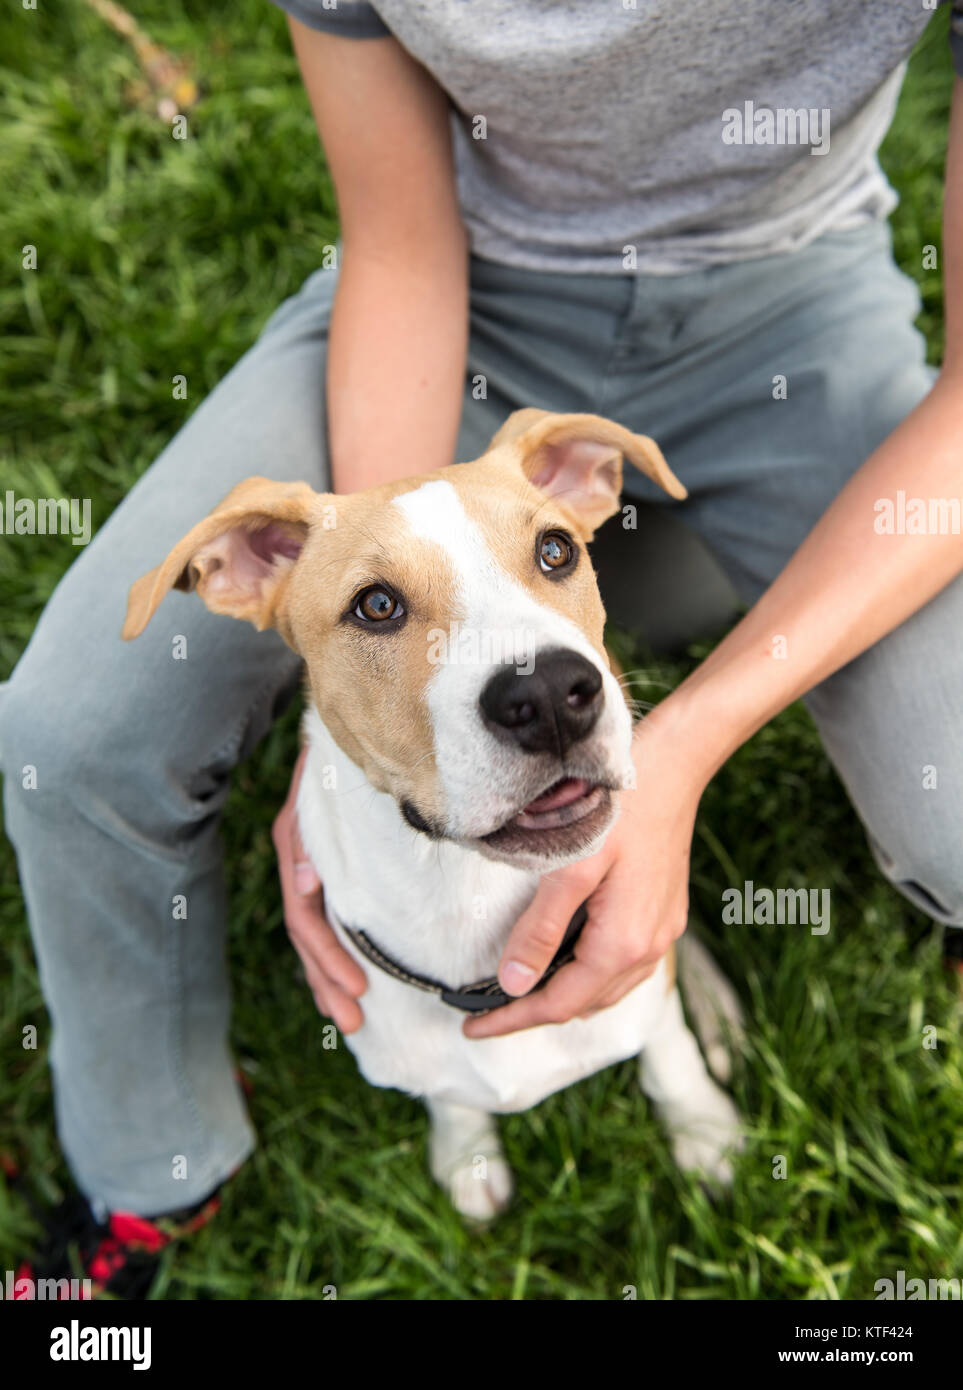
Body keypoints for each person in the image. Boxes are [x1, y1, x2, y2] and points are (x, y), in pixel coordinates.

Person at [2, 0, 962, 1296]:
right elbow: (400, 241)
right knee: (74, 732)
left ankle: (707, 589)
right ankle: (152, 1162)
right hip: (461, 282)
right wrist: (359, 702)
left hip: (801, 300)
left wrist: (679, 748)